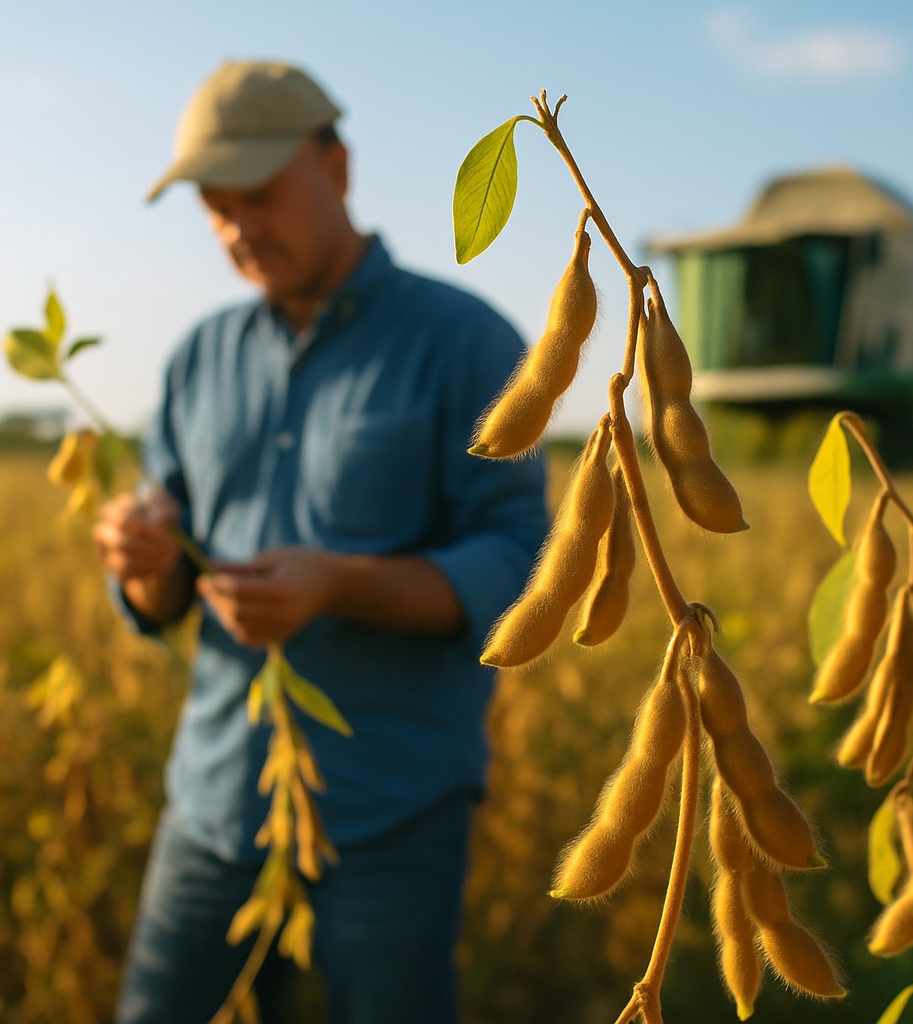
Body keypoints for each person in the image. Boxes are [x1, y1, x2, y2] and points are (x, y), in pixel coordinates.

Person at [92, 60, 548, 1024]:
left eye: (258, 196)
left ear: (337, 166)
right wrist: (145, 568)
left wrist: (339, 584)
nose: (236, 229)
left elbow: (521, 568)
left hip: (391, 816)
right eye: (215, 208)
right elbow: (160, 591)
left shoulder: (465, 343)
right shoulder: (197, 359)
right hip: (214, 803)